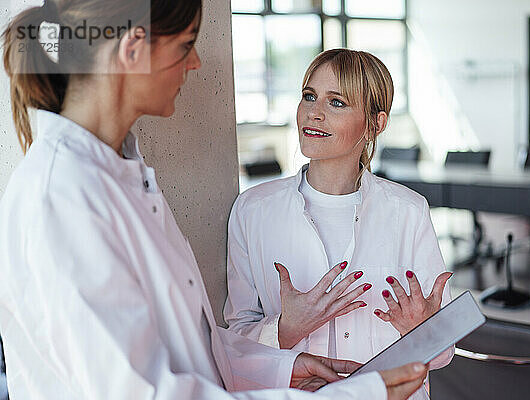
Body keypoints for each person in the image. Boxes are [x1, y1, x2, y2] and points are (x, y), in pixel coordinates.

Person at [0, 1, 430, 399]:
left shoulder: (122, 178)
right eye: (186, 45)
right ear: (134, 49)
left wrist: (282, 366)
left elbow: (191, 343)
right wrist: (356, 395)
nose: (196, 61)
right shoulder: (64, 197)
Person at [224, 49, 454, 400]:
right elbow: (234, 341)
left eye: (337, 103)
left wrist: (420, 331)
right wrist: (286, 329)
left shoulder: (408, 211)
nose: (314, 113)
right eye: (309, 96)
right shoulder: (252, 210)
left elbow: (441, 354)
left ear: (376, 123)